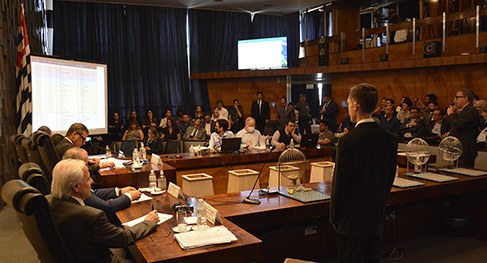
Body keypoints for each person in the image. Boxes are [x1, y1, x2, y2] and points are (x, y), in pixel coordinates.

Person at [330, 83, 397, 262]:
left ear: (356, 105)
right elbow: (389, 177)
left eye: (348, 103)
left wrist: (334, 217)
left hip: (350, 220)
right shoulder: (390, 139)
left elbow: (340, 185)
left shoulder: (347, 141)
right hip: (375, 214)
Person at [49, 159, 159, 263]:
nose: (91, 181)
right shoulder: (90, 216)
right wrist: (148, 222)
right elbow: (124, 238)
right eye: (88, 178)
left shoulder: (50, 202)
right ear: (76, 187)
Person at [62, 147, 141, 224]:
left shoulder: (65, 176)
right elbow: (108, 207)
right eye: (86, 164)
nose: (91, 181)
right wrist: (129, 196)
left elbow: (93, 193)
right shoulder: (77, 188)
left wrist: (119, 191)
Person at [445, 88, 479, 168]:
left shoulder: (470, 110)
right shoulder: (465, 110)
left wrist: (451, 114)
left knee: (463, 175)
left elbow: (458, 124)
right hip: (460, 149)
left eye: (457, 97)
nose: (455, 100)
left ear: (466, 98)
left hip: (466, 150)